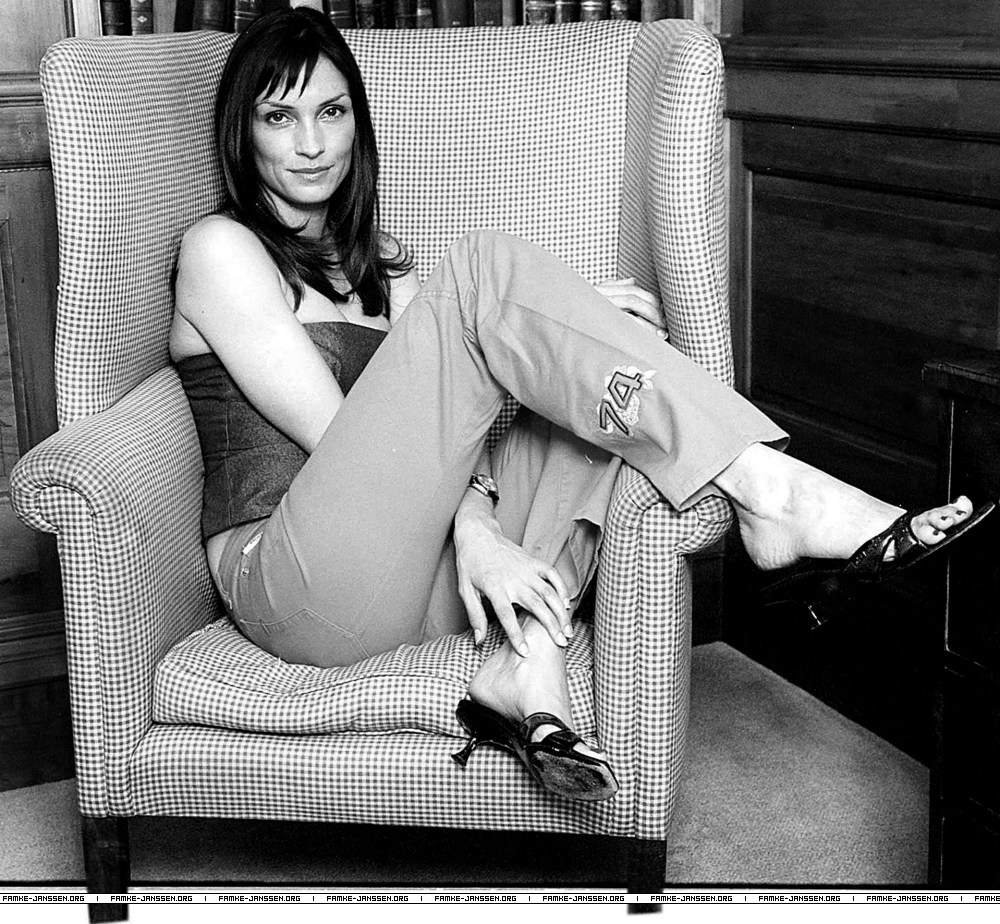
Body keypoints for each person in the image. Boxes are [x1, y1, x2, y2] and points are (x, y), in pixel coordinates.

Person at [169, 8, 991, 803]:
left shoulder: (378, 263)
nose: (312, 144)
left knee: (590, 400)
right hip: (292, 585)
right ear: (243, 133)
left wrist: (582, 325)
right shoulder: (221, 250)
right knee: (485, 272)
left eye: (332, 111)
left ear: (358, 122)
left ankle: (524, 660)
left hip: (410, 592)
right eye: (279, 117)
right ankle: (770, 490)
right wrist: (479, 531)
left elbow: (441, 409)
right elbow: (341, 435)